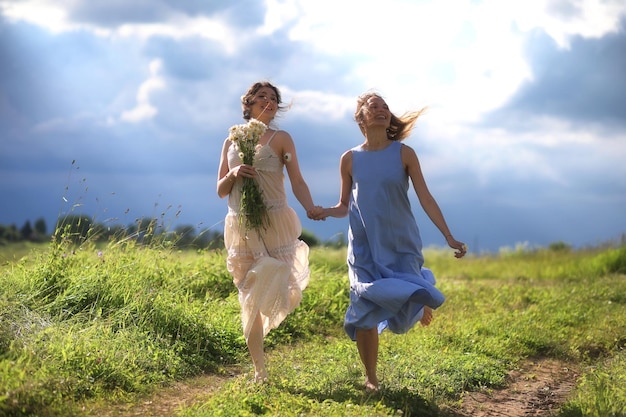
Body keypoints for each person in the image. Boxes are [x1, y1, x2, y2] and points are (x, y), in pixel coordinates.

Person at [314, 91, 467, 391]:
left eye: (385, 107)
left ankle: (417, 294)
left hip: (399, 241)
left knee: (404, 286)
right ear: (361, 117)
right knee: (364, 306)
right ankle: (371, 379)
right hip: (363, 245)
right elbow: (344, 205)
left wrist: (448, 235)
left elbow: (425, 197)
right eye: (374, 106)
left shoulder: (404, 154)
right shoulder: (349, 159)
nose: (382, 110)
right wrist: (325, 212)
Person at [217, 81, 321, 383]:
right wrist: (235, 173)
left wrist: (311, 207)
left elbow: (297, 179)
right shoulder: (231, 140)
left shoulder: (281, 139)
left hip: (275, 222)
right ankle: (259, 369)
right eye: (262, 96)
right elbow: (220, 190)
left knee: (276, 283)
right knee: (249, 295)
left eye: (274, 98)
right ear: (248, 103)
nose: (269, 101)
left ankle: (264, 327)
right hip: (241, 224)